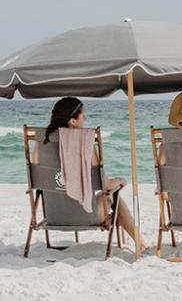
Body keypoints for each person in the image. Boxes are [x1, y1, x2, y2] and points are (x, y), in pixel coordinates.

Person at [34, 97, 147, 249]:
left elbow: (36, 177)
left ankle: (130, 235)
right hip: (86, 216)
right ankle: (141, 244)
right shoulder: (86, 143)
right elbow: (105, 185)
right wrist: (119, 180)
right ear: (72, 121)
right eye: (83, 116)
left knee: (111, 198)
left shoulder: (42, 142)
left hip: (53, 214)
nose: (85, 119)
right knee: (114, 195)